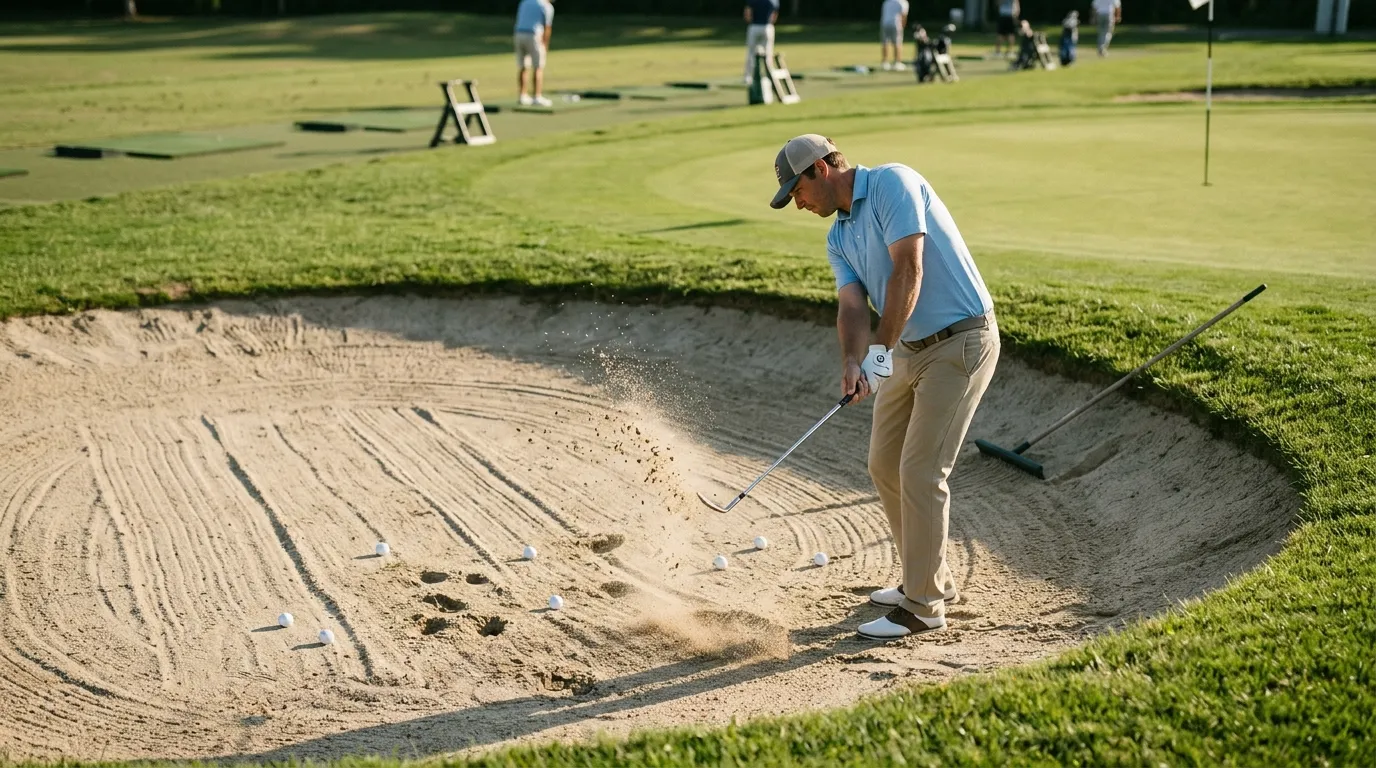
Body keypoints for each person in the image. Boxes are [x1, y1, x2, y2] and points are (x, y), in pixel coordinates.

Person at [769, 135, 999, 640]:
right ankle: (928, 577)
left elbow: (907, 270)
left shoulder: (894, 181)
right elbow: (852, 307)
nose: (798, 203)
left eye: (797, 191)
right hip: (910, 349)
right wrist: (854, 360)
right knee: (883, 462)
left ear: (820, 171)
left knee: (920, 470)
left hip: (961, 342)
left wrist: (879, 353)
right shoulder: (838, 237)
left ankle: (923, 607)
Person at [514, 0, 555, 107]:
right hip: (534, 35)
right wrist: (545, 44)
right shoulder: (547, 6)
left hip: (519, 34)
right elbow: (547, 28)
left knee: (523, 66)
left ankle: (522, 96)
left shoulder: (525, 2)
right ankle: (537, 96)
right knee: (538, 67)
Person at [743, 0, 780, 85]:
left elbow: (748, 13)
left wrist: (750, 22)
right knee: (768, 53)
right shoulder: (773, 1)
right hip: (767, 27)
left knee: (751, 53)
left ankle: (748, 77)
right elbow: (774, 16)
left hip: (754, 26)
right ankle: (768, 76)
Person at [880, 0, 910, 71]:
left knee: (885, 42)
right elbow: (904, 16)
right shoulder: (903, 2)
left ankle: (885, 63)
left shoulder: (887, 2)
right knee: (898, 43)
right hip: (896, 24)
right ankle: (897, 63)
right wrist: (903, 26)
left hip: (885, 23)